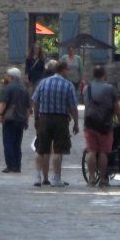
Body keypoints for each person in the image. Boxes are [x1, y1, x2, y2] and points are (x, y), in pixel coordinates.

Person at [30, 58, 79, 187]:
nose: (68, 72)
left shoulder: (44, 83)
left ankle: (37, 177)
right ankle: (56, 178)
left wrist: (36, 118)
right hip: (61, 120)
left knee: (40, 149)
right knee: (58, 150)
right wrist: (76, 122)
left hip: (44, 118)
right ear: (63, 70)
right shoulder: (68, 85)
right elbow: (73, 106)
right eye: (67, 69)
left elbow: (35, 101)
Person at [82, 65, 119, 187]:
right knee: (103, 152)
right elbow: (116, 107)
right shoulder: (110, 88)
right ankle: (103, 178)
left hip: (90, 123)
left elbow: (86, 104)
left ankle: (92, 178)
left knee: (91, 151)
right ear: (104, 74)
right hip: (105, 124)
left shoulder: (87, 88)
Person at [0, 68, 31, 173]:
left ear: (11, 77)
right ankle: (17, 165)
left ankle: (10, 165)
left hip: (10, 119)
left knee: (8, 142)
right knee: (17, 143)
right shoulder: (24, 88)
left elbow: (4, 103)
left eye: (7, 76)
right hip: (21, 119)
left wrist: (0, 114)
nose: (6, 78)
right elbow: (28, 108)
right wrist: (27, 120)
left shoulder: (9, 88)